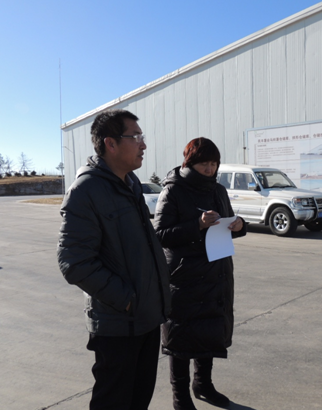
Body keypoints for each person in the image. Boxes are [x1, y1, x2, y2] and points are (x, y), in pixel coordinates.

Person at [57, 109, 171, 410]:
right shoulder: (86, 191)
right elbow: (73, 261)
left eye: (142, 137)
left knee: (139, 400)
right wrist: (127, 299)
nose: (143, 144)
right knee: (113, 402)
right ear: (110, 143)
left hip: (147, 318)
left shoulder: (130, 185)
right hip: (119, 324)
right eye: (135, 137)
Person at [153, 137, 246, 410]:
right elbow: (160, 234)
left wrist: (239, 225)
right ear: (190, 162)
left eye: (214, 163)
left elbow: (228, 223)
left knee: (209, 331)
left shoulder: (218, 190)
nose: (210, 168)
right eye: (204, 163)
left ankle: (203, 385)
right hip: (185, 277)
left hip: (217, 272)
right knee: (181, 337)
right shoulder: (173, 190)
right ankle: (180, 396)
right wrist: (197, 224)